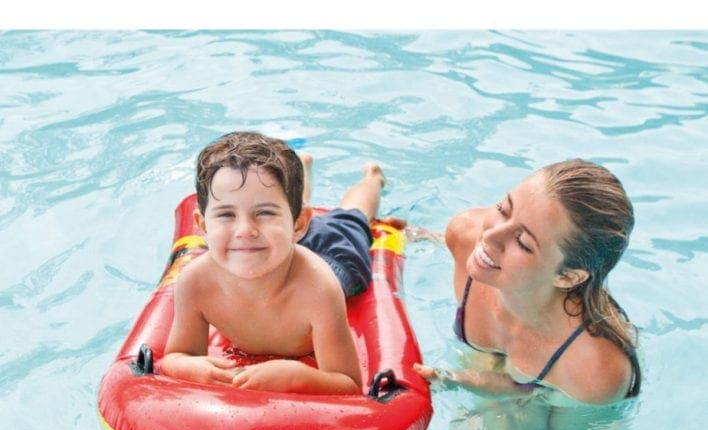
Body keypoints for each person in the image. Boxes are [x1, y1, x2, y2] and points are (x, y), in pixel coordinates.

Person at [160, 131, 400, 395]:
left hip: (333, 254)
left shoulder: (319, 289)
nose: (245, 230)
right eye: (226, 214)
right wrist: (190, 367)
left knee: (351, 216)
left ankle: (372, 178)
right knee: (281, 200)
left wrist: (298, 377)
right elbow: (176, 356)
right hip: (275, 244)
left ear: (299, 224)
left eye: (264, 212)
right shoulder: (195, 282)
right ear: (203, 226)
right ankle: (297, 176)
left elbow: (348, 384)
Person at [412, 159, 641, 405]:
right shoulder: (464, 235)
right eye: (503, 209)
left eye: (522, 243)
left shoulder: (595, 370)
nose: (489, 236)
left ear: (566, 277)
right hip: (508, 354)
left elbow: (578, 423)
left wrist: (458, 380)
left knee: (510, 427)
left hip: (554, 394)